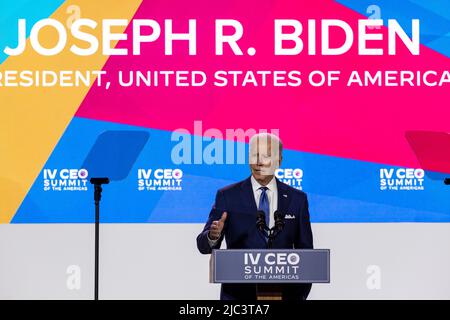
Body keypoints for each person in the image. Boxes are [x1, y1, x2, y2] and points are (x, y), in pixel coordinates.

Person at [196, 133, 313, 300]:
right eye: (254, 155)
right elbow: (203, 246)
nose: (258, 162)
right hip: (238, 297)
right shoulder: (228, 196)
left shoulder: (297, 199)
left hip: (286, 295)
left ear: (279, 161)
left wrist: (298, 295)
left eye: (266, 156)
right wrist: (212, 236)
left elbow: (306, 253)